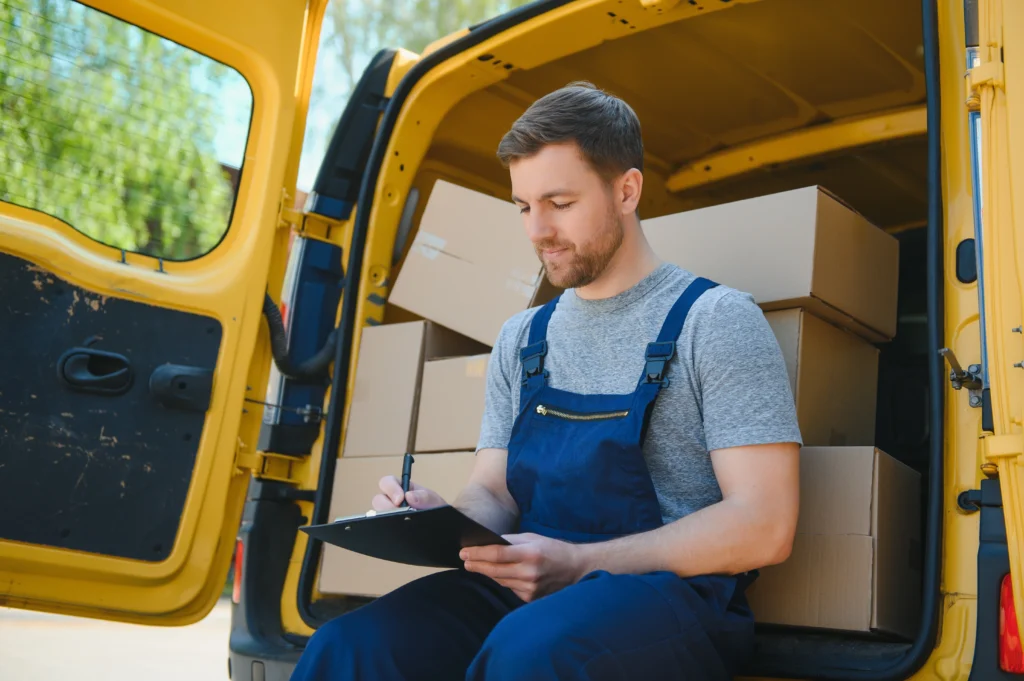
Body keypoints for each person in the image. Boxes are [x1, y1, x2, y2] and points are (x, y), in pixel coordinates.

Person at [291, 81, 802, 681]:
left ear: (627, 190)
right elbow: (495, 492)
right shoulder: (522, 337)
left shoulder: (714, 321)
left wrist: (579, 563)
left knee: (533, 653)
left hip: (671, 596)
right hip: (531, 585)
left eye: (559, 203)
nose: (537, 230)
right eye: (523, 206)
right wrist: (443, 519)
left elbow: (765, 525)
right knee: (353, 646)